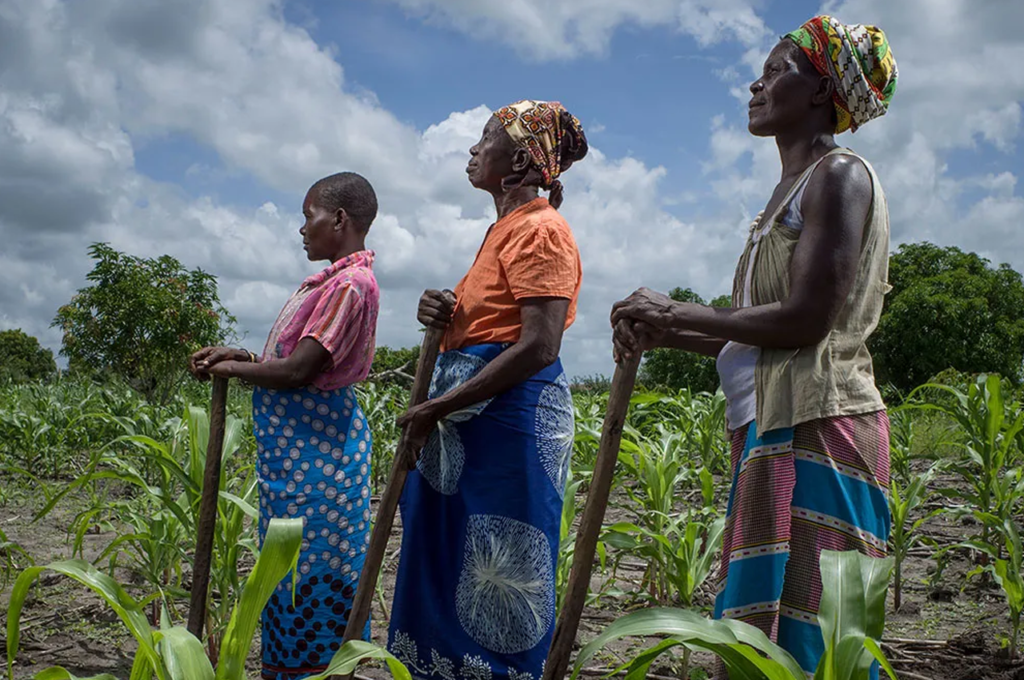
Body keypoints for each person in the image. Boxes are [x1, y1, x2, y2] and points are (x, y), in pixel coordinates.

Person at [611, 16, 898, 677]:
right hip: (772, 427)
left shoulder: (841, 175)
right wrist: (664, 332)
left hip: (819, 427)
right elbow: (751, 331)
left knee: (818, 645)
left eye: (776, 72)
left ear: (823, 89)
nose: (757, 84)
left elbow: (804, 321)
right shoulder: (784, 196)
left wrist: (676, 308)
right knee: (758, 645)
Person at [386, 100, 588, 680]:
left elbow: (539, 345)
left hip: (504, 422)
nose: (473, 149)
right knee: (448, 553)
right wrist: (442, 312)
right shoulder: (504, 229)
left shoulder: (542, 230)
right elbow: (487, 321)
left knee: (498, 563)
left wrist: (440, 405)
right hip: (467, 424)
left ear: (522, 161)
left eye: (485, 139)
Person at [189, 172, 381, 680]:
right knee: (287, 573)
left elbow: (299, 372)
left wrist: (230, 369)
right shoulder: (329, 283)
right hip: (297, 470)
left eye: (307, 216)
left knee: (311, 576)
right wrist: (244, 355)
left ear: (339, 219)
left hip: (320, 469)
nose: (302, 229)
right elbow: (293, 358)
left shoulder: (349, 285)